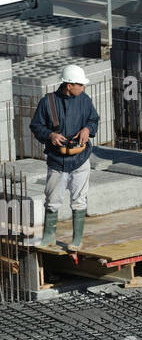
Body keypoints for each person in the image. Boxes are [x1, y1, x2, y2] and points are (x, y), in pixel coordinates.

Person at [29, 63, 99, 253]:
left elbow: (94, 120)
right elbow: (36, 126)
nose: (83, 88)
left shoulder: (84, 100)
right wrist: (50, 135)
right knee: (52, 199)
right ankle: (49, 236)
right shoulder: (47, 102)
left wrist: (87, 129)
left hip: (80, 159)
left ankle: (77, 239)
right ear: (69, 85)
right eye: (80, 85)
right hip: (57, 160)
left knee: (79, 200)